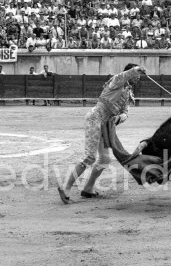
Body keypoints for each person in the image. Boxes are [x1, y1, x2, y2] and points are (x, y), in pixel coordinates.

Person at [58, 64, 146, 203]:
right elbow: (124, 75)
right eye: (137, 75)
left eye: (139, 75)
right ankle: (66, 187)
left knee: (104, 159)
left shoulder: (129, 92)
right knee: (90, 157)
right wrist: (136, 69)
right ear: (131, 73)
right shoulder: (117, 81)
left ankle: (88, 188)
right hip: (95, 118)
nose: (139, 78)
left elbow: (125, 113)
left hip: (105, 125)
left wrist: (118, 118)